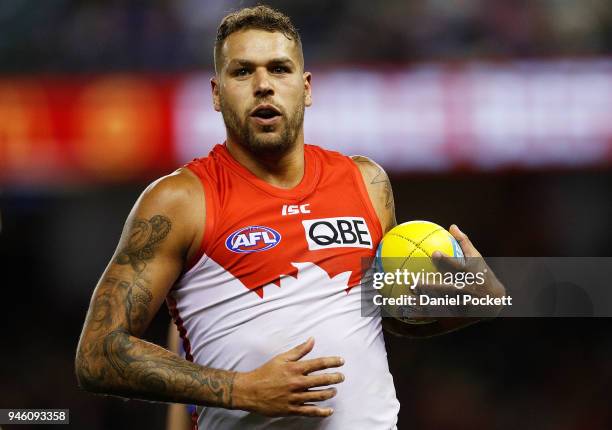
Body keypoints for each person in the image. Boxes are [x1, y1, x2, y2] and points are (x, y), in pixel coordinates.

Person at [75, 5, 505, 429]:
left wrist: (470, 302)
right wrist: (241, 389)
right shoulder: (180, 199)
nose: (263, 85)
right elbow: (97, 356)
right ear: (216, 93)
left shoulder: (365, 181)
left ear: (307, 87)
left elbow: (389, 317)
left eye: (279, 69)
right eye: (242, 71)